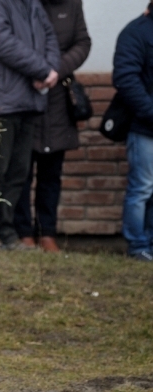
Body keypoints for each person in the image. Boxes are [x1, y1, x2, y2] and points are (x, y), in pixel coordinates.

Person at [0, 0, 61, 250]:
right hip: (1, 101)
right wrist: (42, 70)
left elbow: (50, 35)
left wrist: (50, 70)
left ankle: (7, 232)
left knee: (18, 172)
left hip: (29, 100)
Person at [14, 0, 91, 253]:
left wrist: (54, 70)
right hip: (24, 92)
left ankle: (47, 233)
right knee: (22, 170)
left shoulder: (72, 4)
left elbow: (83, 43)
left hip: (58, 97)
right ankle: (23, 233)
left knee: (51, 172)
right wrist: (36, 70)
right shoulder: (22, 4)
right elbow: (9, 43)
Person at [113, 3, 153, 261]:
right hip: (145, 129)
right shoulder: (136, 32)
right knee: (142, 189)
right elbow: (125, 78)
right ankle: (138, 246)